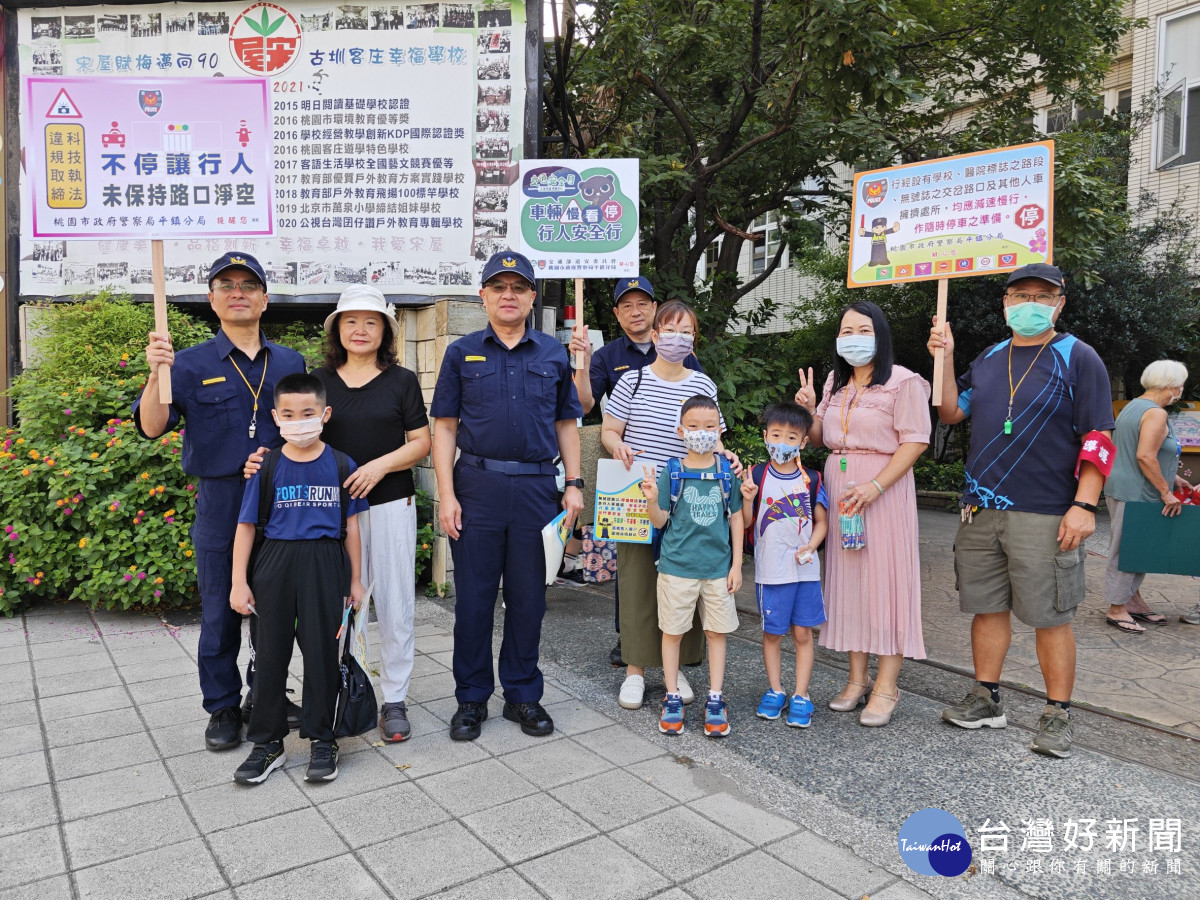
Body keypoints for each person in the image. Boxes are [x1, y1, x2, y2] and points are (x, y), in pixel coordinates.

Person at [928, 263, 1115, 759]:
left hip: (1048, 510)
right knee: (987, 608)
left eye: (1041, 295)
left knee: (1051, 615)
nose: (1029, 303)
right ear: (1005, 302)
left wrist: (1084, 505)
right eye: (1019, 294)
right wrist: (942, 359)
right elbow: (951, 410)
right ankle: (986, 698)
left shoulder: (1078, 356)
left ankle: (1058, 713)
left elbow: (1097, 437)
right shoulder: (990, 357)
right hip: (980, 508)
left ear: (1059, 303)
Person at [134, 252, 306, 752]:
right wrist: (154, 373)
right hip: (221, 501)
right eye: (226, 285)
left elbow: (308, 428)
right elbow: (150, 426)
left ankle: (266, 696)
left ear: (265, 299)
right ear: (212, 299)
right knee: (220, 612)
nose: (238, 292)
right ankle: (223, 708)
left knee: (275, 610)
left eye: (249, 285)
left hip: (280, 499)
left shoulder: (290, 362)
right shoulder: (186, 363)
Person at [431, 250, 584, 742]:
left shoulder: (551, 354)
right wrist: (447, 495)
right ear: (484, 296)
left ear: (532, 296)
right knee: (474, 600)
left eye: (518, 287)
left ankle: (522, 694)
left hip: (539, 490)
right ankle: (471, 699)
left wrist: (575, 485)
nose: (508, 295)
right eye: (499, 287)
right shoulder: (462, 352)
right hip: (477, 487)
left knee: (527, 600)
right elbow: (445, 427)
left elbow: (567, 423)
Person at [795, 301, 930, 727]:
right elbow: (818, 439)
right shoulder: (836, 381)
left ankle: (887, 686)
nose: (854, 337)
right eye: (846, 330)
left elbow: (916, 440)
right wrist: (810, 406)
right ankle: (856, 679)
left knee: (887, 582)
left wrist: (875, 486)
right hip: (840, 488)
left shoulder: (905, 382)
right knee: (849, 582)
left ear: (881, 334)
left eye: (863, 329)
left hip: (882, 490)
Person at [229, 373, 368, 784]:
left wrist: (356, 580)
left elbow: (353, 529)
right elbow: (246, 527)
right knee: (270, 654)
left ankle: (322, 739)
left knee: (324, 654)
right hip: (275, 561)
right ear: (276, 416)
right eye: (288, 414)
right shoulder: (267, 465)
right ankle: (267, 742)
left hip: (326, 563)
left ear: (325, 414)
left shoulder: (343, 464)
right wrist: (240, 580)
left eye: (308, 413)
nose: (299, 420)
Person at [315, 286, 432, 739]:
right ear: (337, 329)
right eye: (350, 321)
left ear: (384, 330)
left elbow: (420, 442)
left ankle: (395, 699)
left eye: (370, 321)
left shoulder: (400, 380)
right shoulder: (319, 381)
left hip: (390, 503)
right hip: (333, 511)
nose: (360, 330)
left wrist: (380, 466)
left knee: (397, 602)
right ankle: (345, 688)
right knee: (341, 601)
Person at [568, 276, 703, 665]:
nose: (635, 310)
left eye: (642, 303)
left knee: (679, 561)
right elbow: (585, 405)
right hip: (631, 475)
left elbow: (702, 414)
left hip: (678, 476)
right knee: (632, 565)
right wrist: (583, 364)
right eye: (626, 305)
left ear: (655, 309)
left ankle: (676, 642)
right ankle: (629, 642)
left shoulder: (687, 358)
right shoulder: (610, 356)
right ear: (616, 313)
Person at [602, 300, 727, 712]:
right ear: (654, 336)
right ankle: (635, 670)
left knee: (687, 580)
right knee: (638, 582)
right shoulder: (632, 381)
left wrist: (729, 458)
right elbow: (609, 430)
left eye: (686, 331)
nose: (678, 338)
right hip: (638, 493)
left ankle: (678, 669)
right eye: (670, 330)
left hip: (689, 498)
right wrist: (617, 444)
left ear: (694, 339)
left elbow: (714, 436)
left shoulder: (702, 385)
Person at [640, 395, 744, 737]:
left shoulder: (727, 471)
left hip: (717, 570)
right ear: (681, 430)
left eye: (710, 427)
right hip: (676, 568)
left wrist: (737, 565)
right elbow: (659, 522)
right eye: (695, 427)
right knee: (672, 633)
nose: (702, 433)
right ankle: (671, 696)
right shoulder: (672, 471)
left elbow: (737, 519)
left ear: (719, 431)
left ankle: (715, 698)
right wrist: (653, 500)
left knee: (717, 633)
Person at [740, 402, 829, 729]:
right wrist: (747, 499)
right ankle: (776, 690)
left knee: (804, 633)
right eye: (776, 434)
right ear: (765, 436)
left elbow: (822, 522)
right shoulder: (757, 475)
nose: (782, 442)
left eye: (791, 437)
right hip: (770, 572)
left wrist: (812, 544)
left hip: (805, 573)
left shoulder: (812, 480)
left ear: (803, 442)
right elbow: (747, 523)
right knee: (772, 634)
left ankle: (801, 695)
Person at [1103, 360, 1191, 633]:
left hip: (1125, 487)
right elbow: (1144, 455)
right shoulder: (1156, 414)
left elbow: (1133, 450)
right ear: (1171, 385)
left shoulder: (1133, 406)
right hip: (1137, 492)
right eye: (1181, 384)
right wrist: (1166, 492)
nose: (1181, 389)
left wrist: (1172, 477)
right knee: (1128, 550)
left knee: (1137, 549)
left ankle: (1132, 601)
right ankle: (1116, 608)